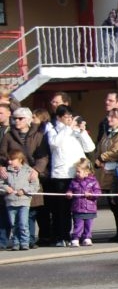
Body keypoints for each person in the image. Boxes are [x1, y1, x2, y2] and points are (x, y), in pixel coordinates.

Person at [46, 106, 96, 246]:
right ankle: (62, 236)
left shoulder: (75, 131)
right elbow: (54, 143)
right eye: (66, 117)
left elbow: (90, 148)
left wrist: (82, 132)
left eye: (70, 116)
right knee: (62, 209)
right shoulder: (53, 130)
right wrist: (68, 128)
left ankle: (78, 235)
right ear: (59, 117)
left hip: (77, 175)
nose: (69, 119)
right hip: (61, 175)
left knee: (79, 207)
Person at [0, 106, 49, 248]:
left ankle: (29, 240)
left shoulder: (38, 135)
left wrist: (37, 170)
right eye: (14, 118)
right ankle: (13, 241)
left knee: (30, 212)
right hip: (13, 178)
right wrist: (1, 167)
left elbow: (43, 156)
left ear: (28, 120)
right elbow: (2, 155)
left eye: (20, 118)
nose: (17, 121)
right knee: (13, 213)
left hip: (30, 176)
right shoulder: (8, 136)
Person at [95, 109, 118, 242]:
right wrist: (98, 158)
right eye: (109, 116)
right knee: (113, 205)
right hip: (106, 173)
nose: (110, 119)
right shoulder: (107, 134)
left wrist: (102, 157)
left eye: (113, 117)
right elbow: (99, 147)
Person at [3, 150, 40, 250]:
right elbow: (1, 183)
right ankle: (16, 242)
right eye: (9, 160)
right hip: (10, 202)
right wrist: (6, 188)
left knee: (23, 223)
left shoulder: (29, 171)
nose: (9, 162)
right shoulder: (6, 171)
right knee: (13, 224)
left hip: (24, 202)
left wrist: (24, 190)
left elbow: (35, 185)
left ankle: (24, 242)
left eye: (12, 160)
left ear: (20, 160)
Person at [67, 158, 99, 246]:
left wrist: (90, 194)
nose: (76, 173)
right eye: (76, 171)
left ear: (86, 172)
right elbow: (70, 189)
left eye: (78, 171)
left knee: (88, 224)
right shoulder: (74, 182)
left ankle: (87, 237)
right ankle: (75, 238)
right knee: (78, 224)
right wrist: (69, 193)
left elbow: (98, 193)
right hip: (78, 207)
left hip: (89, 208)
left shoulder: (93, 181)